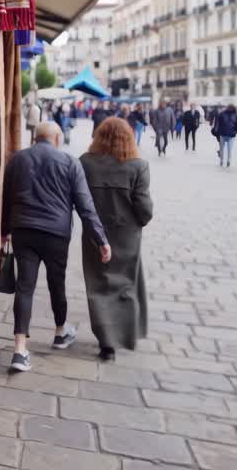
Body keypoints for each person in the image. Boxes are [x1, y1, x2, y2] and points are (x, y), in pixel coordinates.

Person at [1, 122, 111, 373]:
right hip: (56, 234)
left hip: (23, 231)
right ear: (57, 138)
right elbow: (86, 206)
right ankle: (60, 333)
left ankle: (19, 351)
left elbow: (6, 197)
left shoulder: (17, 160)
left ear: (35, 137)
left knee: (25, 287)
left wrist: (4, 230)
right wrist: (101, 240)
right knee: (56, 283)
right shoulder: (71, 163)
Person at [79, 118, 153, 361]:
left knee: (97, 284)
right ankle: (124, 335)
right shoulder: (138, 166)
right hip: (126, 235)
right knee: (123, 284)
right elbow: (144, 209)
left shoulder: (86, 163)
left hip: (94, 233)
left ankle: (106, 342)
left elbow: (78, 200)